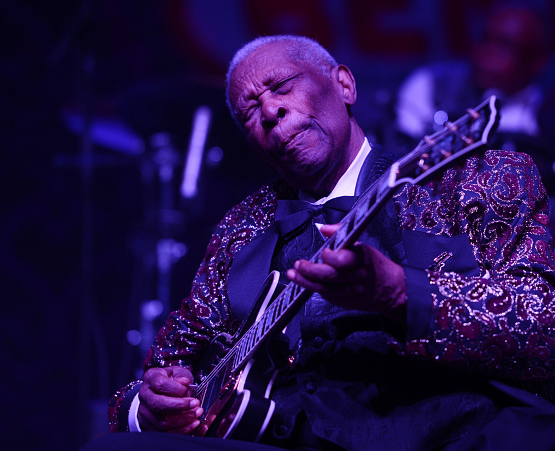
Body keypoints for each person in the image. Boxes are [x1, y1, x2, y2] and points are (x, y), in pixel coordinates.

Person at [85, 35, 555, 451]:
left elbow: (544, 329)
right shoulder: (240, 228)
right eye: (249, 112)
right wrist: (148, 407)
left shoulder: (477, 180)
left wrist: (400, 292)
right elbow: (162, 367)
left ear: (344, 85)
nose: (270, 111)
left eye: (283, 87)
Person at [394, 4, 555, 193]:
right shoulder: (431, 84)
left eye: (504, 46)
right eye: (485, 39)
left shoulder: (544, 112)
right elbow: (401, 155)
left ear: (536, 61)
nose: (487, 53)